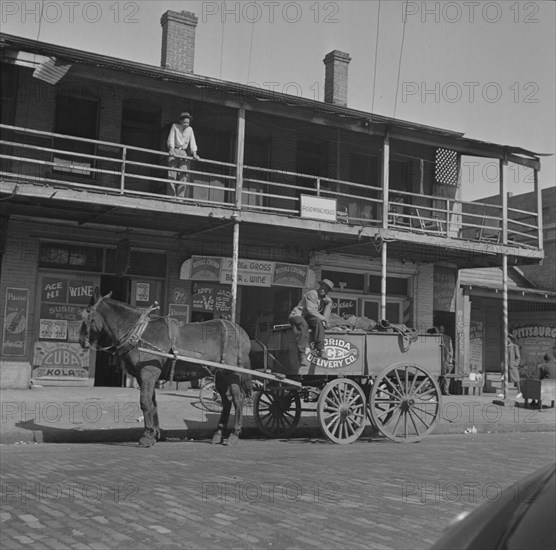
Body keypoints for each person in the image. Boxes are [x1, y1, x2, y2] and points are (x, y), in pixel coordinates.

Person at [289, 279, 334, 367]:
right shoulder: (312, 293)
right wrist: (324, 319)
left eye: (325, 289)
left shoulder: (325, 299)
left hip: (308, 317)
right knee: (303, 325)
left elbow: (327, 310)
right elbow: (311, 310)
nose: (322, 290)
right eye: (322, 287)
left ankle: (321, 349)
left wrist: (325, 319)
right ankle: (302, 355)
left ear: (328, 291)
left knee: (318, 322)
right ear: (319, 286)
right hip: (298, 315)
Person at [167, 112, 200, 197]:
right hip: (175, 149)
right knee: (172, 173)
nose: (186, 124)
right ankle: (171, 196)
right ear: (181, 121)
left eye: (188, 123)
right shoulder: (175, 126)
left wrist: (194, 153)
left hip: (183, 152)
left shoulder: (190, 130)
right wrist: (171, 149)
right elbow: (171, 137)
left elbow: (193, 141)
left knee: (184, 173)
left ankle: (180, 197)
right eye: (185, 122)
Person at [428, 326, 454, 396]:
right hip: (444, 359)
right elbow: (451, 351)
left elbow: (451, 350)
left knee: (440, 376)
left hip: (442, 359)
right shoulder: (448, 338)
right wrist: (450, 359)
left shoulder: (436, 338)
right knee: (445, 376)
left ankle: (436, 390)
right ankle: (443, 391)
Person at [499, 335, 522, 399]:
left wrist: (515, 364)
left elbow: (518, 357)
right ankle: (502, 393)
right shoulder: (506, 347)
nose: (506, 340)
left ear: (510, 339)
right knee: (503, 378)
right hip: (506, 366)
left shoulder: (515, 346)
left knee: (516, 379)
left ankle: (519, 392)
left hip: (512, 366)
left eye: (507, 338)